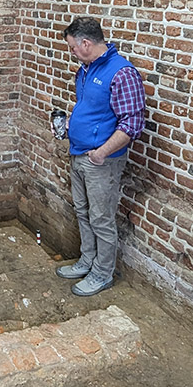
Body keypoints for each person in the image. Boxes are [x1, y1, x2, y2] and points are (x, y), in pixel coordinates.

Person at [55, 17, 147, 296]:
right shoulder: (84, 70)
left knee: (101, 219)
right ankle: (87, 260)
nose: (71, 51)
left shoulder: (121, 73)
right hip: (79, 153)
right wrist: (70, 125)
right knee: (83, 212)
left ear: (86, 43)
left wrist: (101, 153)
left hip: (101, 161)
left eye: (72, 47)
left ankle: (102, 273)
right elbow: (90, 109)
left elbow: (132, 123)